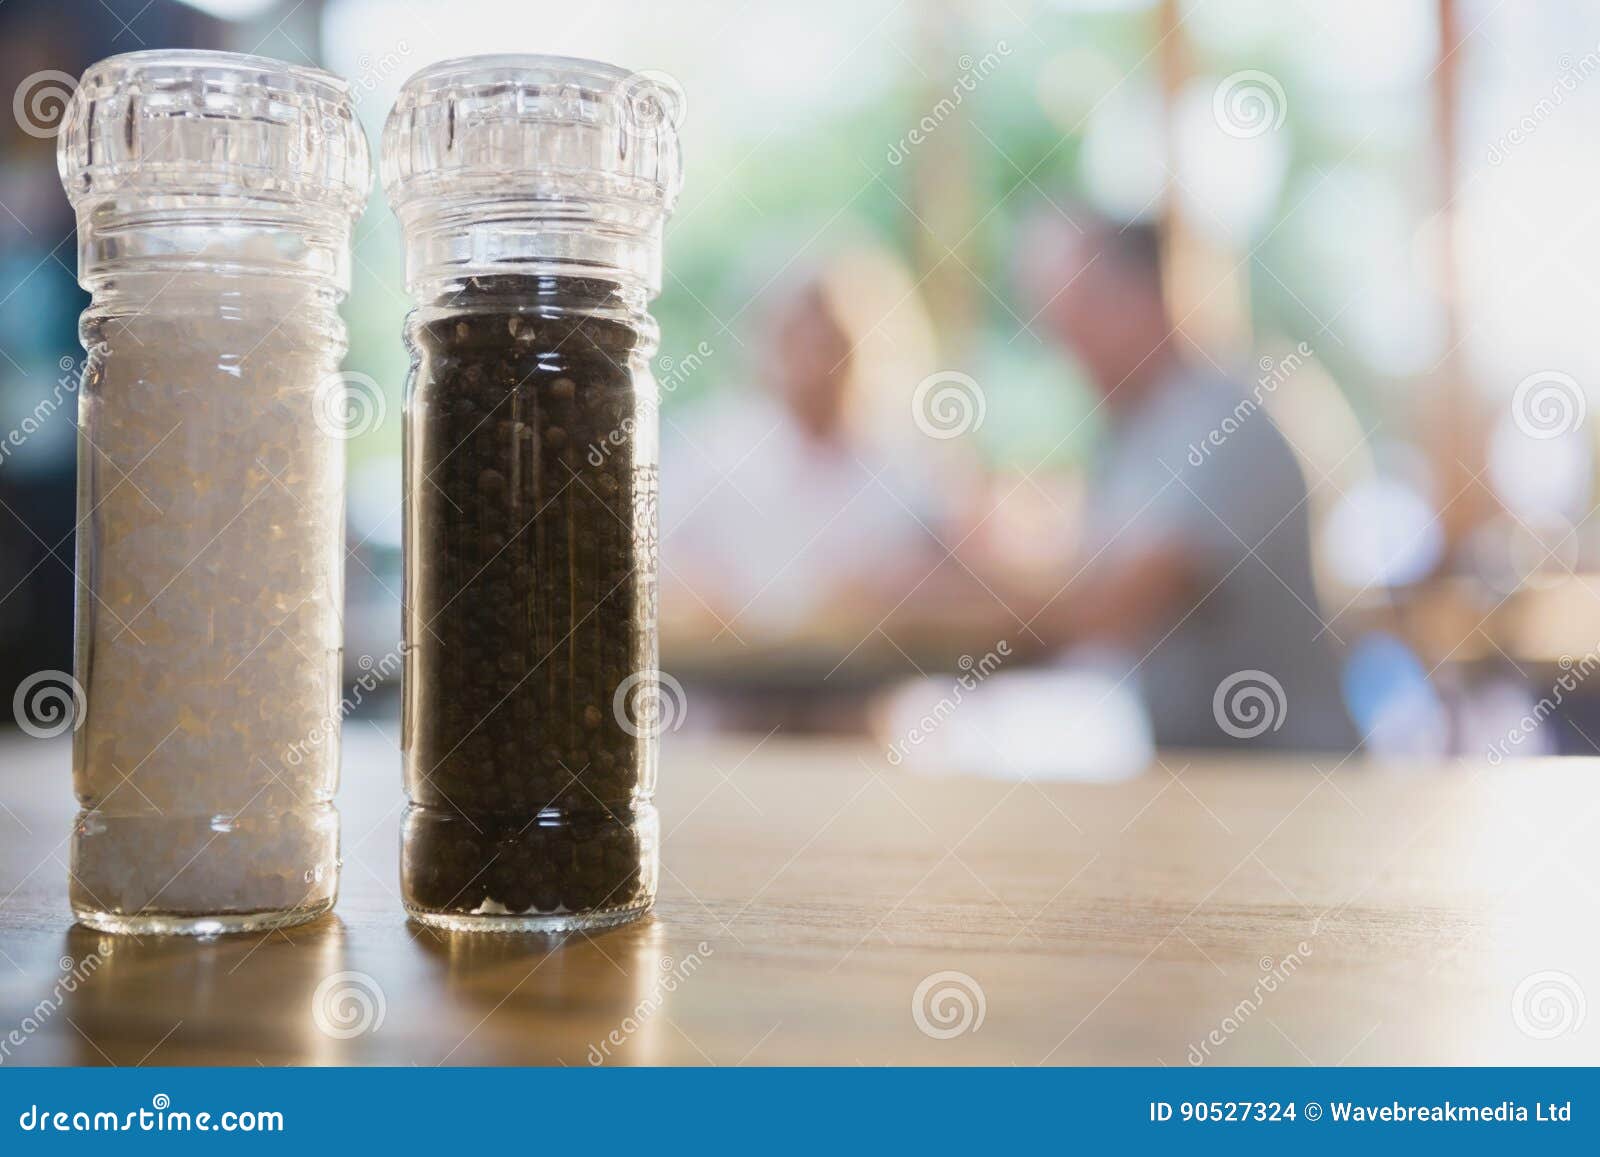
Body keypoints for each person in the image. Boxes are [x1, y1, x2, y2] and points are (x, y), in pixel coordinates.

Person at [1007, 208, 1357, 752]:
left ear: (1143, 301)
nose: (1068, 349)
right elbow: (1084, 576)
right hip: (1197, 777)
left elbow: (1126, 604)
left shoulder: (1226, 419)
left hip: (1289, 787)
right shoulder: (1127, 436)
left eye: (1078, 316)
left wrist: (955, 623)